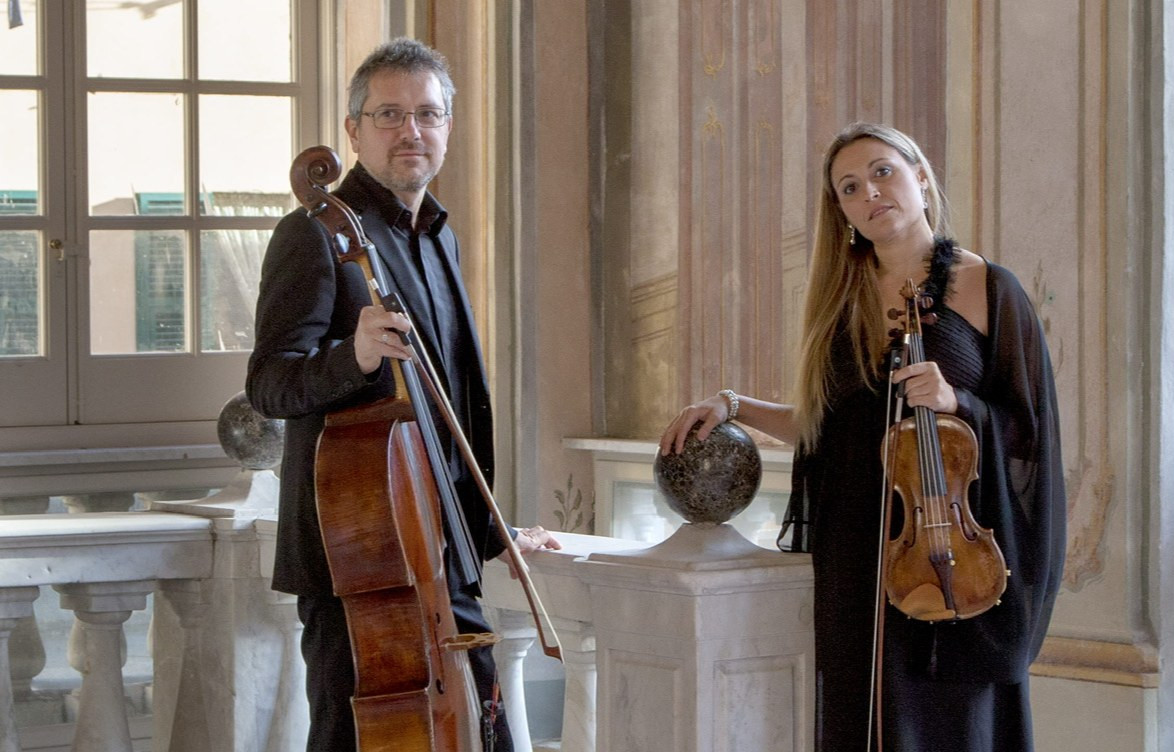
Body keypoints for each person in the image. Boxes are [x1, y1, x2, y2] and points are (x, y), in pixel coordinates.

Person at [660, 122, 1065, 751]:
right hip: (856, 542)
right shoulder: (838, 297)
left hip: (949, 543)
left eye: (882, 172)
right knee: (862, 716)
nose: (869, 192)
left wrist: (959, 402)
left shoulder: (989, 287)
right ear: (842, 211)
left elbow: (1029, 431)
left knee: (953, 721)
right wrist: (733, 405)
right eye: (849, 187)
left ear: (920, 178)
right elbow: (826, 428)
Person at [247, 38, 560, 752]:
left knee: (480, 730)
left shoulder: (438, 237)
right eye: (389, 113)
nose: (410, 130)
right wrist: (352, 355)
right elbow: (269, 384)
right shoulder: (314, 237)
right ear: (354, 129)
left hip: (437, 549)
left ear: (448, 126)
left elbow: (448, 414)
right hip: (357, 567)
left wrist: (488, 527)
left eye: (427, 113)